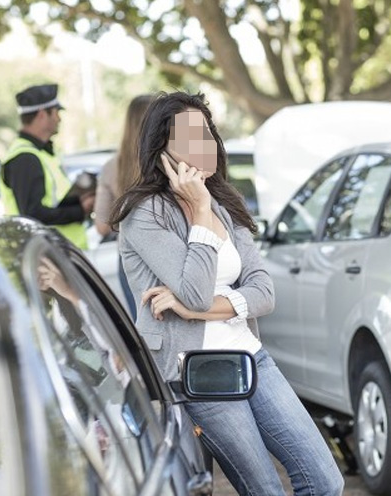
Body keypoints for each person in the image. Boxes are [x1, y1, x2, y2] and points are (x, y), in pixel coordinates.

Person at [110, 91, 344, 496]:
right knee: (265, 490)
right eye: (191, 136)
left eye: (208, 133)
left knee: (325, 479)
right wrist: (198, 213)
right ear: (162, 149)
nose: (206, 145)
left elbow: (264, 292)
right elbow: (197, 291)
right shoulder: (145, 214)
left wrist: (200, 312)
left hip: (252, 357)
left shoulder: (224, 205)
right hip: (197, 373)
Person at [0, 83, 94, 249]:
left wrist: (78, 200)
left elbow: (52, 203)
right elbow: (33, 215)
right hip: (48, 258)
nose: (59, 118)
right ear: (43, 114)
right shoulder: (25, 158)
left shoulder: (42, 153)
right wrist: (80, 211)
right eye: (56, 113)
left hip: (57, 254)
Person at [94, 94, 154, 319]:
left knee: (146, 330)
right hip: (172, 254)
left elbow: (101, 226)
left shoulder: (111, 167)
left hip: (129, 260)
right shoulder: (170, 161)